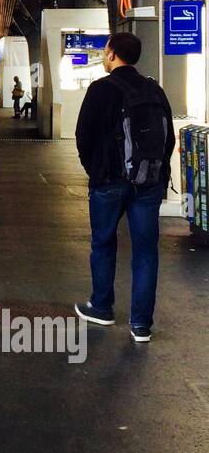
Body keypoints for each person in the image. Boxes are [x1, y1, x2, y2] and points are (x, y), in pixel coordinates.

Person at [74, 32, 174, 343]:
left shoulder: (100, 90)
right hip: (148, 184)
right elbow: (167, 139)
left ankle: (102, 307)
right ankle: (141, 325)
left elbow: (83, 136)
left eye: (106, 51)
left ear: (113, 54)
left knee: (103, 244)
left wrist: (97, 171)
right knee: (145, 252)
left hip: (108, 183)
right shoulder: (155, 90)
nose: (104, 56)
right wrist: (154, 173)